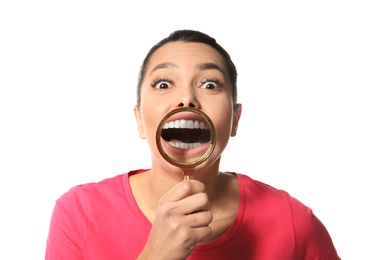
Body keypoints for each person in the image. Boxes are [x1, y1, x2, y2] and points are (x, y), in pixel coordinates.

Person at [45, 29, 340, 259]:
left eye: (210, 84)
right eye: (163, 84)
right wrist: (155, 255)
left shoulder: (293, 222)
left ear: (236, 119)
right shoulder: (79, 214)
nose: (186, 99)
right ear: (139, 119)